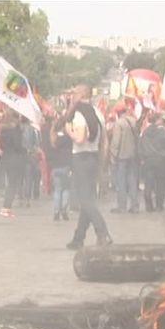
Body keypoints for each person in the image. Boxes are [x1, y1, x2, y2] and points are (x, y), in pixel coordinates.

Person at [64, 85, 112, 249]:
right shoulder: (98, 113)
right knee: (88, 199)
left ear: (79, 95)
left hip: (81, 157)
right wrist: (103, 161)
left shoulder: (79, 114)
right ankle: (79, 238)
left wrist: (69, 130)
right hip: (93, 157)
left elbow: (79, 138)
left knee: (85, 200)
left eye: (74, 93)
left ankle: (102, 232)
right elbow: (105, 140)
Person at [0, 108, 26, 218]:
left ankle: (7, 207)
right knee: (13, 183)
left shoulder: (4, 130)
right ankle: (6, 207)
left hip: (6, 158)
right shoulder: (15, 131)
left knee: (10, 182)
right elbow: (18, 145)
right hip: (15, 158)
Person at [109, 105, 139, 213]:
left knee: (121, 181)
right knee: (132, 180)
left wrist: (113, 154)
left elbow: (116, 141)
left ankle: (122, 206)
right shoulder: (134, 121)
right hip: (133, 154)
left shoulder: (119, 123)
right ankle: (134, 205)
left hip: (121, 155)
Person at [139, 112, 165, 212]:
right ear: (158, 120)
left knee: (148, 182)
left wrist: (142, 157)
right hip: (161, 160)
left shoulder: (145, 132)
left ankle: (148, 204)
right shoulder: (163, 132)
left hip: (148, 160)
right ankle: (159, 205)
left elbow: (140, 145)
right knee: (160, 183)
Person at [47, 115, 73, 221]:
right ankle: (64, 210)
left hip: (55, 167)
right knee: (66, 189)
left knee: (57, 190)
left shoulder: (53, 137)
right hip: (65, 165)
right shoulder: (68, 138)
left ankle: (56, 211)